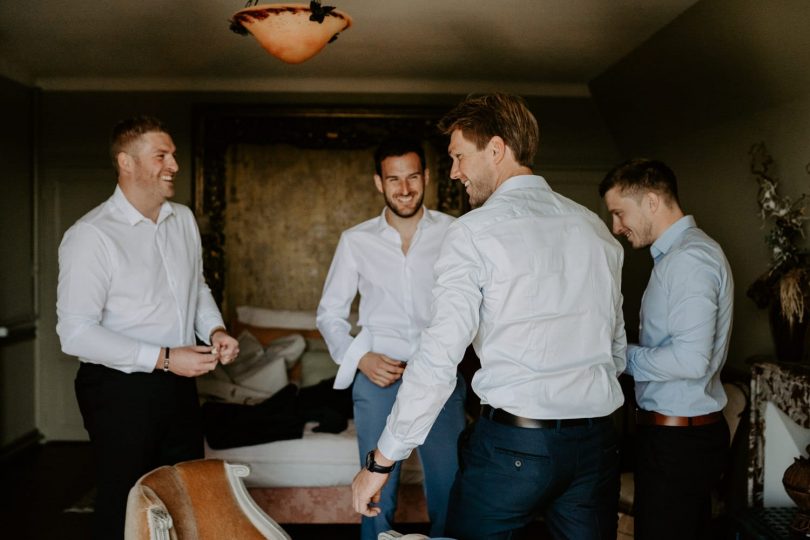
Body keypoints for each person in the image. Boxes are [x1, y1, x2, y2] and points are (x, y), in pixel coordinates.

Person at [351, 93, 627, 540]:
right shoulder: (594, 230)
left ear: (496, 150)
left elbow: (439, 358)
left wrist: (381, 460)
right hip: (595, 446)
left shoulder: (472, 233)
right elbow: (615, 349)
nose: (455, 171)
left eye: (459, 156)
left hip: (514, 448)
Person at [56, 115, 240, 540]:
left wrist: (214, 331)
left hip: (177, 386)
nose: (174, 164)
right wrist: (165, 357)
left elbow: (197, 287)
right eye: (162, 155)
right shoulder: (91, 235)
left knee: (184, 496)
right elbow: (76, 332)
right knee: (127, 504)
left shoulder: (184, 220)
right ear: (126, 163)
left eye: (173, 155)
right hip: (117, 389)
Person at [317, 137, 467, 539]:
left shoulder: (456, 232)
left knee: (447, 483)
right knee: (376, 484)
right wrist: (359, 359)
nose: (405, 189)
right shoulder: (356, 240)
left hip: (440, 375)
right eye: (394, 179)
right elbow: (329, 313)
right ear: (378, 183)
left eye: (413, 177)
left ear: (428, 178)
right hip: (378, 376)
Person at [599, 159, 733, 540]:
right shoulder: (676, 257)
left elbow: (691, 360)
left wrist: (619, 356)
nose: (616, 227)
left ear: (652, 202)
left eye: (619, 213)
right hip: (673, 438)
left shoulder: (690, 259)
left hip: (680, 444)